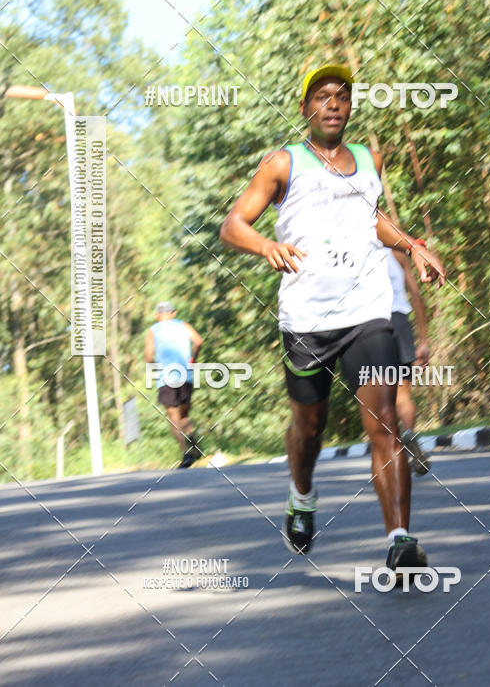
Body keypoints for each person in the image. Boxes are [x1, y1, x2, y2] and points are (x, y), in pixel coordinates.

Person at [220, 63, 445, 579]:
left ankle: (400, 539)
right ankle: (302, 494)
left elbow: (375, 221)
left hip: (367, 310)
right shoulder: (283, 162)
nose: (333, 104)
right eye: (322, 96)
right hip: (306, 317)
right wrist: (266, 245)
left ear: (349, 108)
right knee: (310, 425)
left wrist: (412, 245)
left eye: (341, 96)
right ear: (305, 109)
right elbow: (232, 224)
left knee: (385, 422)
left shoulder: (368, 158)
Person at [387, 247, 431, 476]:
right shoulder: (396, 252)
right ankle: (409, 432)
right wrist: (423, 340)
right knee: (403, 392)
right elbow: (415, 293)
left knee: (377, 394)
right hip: (399, 321)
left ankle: (391, 451)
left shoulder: (351, 246)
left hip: (368, 325)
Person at [144, 301, 204, 469]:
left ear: (157, 315)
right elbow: (199, 341)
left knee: (174, 418)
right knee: (184, 415)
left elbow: (148, 357)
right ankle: (192, 436)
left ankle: (186, 454)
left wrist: (155, 369)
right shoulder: (184, 325)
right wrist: (193, 359)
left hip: (166, 377)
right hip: (186, 375)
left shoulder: (153, 330)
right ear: (173, 313)